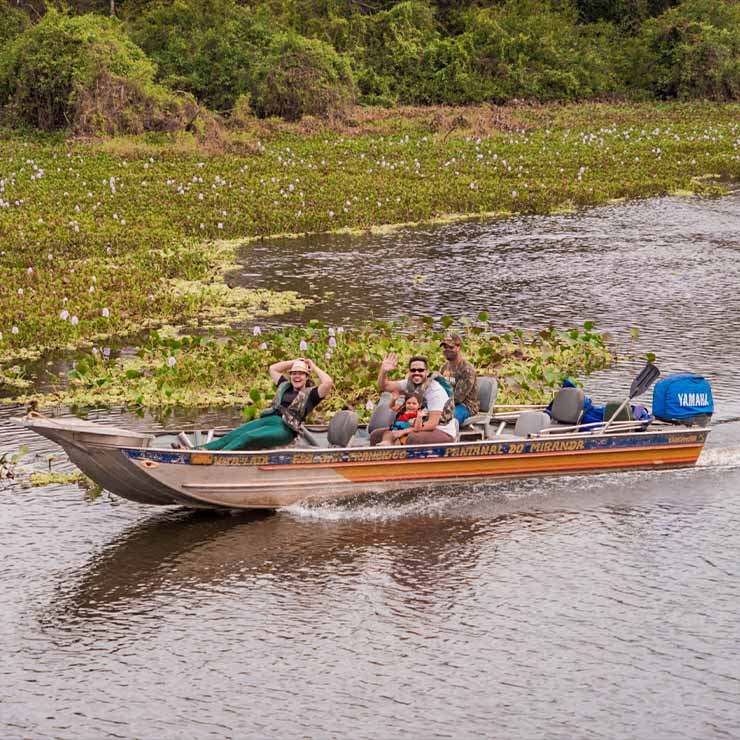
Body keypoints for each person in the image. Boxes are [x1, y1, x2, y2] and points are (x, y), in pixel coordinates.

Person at [199, 358, 333, 451]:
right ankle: (197, 450)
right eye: (294, 374)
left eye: (301, 374)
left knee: (248, 437)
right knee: (234, 434)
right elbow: (273, 368)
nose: (296, 377)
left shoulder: (312, 395)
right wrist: (295, 362)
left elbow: (327, 382)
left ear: (307, 377)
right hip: (269, 420)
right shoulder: (284, 386)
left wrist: (313, 366)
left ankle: (218, 456)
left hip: (285, 430)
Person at [371, 354, 457, 446]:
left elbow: (432, 424)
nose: (416, 373)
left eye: (420, 370)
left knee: (411, 438)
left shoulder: (435, 391)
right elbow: (384, 386)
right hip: (415, 425)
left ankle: (399, 457)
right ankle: (384, 454)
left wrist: (404, 431)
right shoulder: (409, 383)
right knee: (376, 435)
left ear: (427, 372)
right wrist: (383, 371)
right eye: (413, 370)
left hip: (441, 430)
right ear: (409, 372)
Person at [439, 332, 479, 426]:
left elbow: (458, 398)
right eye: (445, 347)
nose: (447, 350)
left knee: (447, 419)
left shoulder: (467, 369)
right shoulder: (444, 367)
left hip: (465, 406)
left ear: (458, 347)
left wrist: (439, 405)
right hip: (446, 402)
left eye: (451, 347)